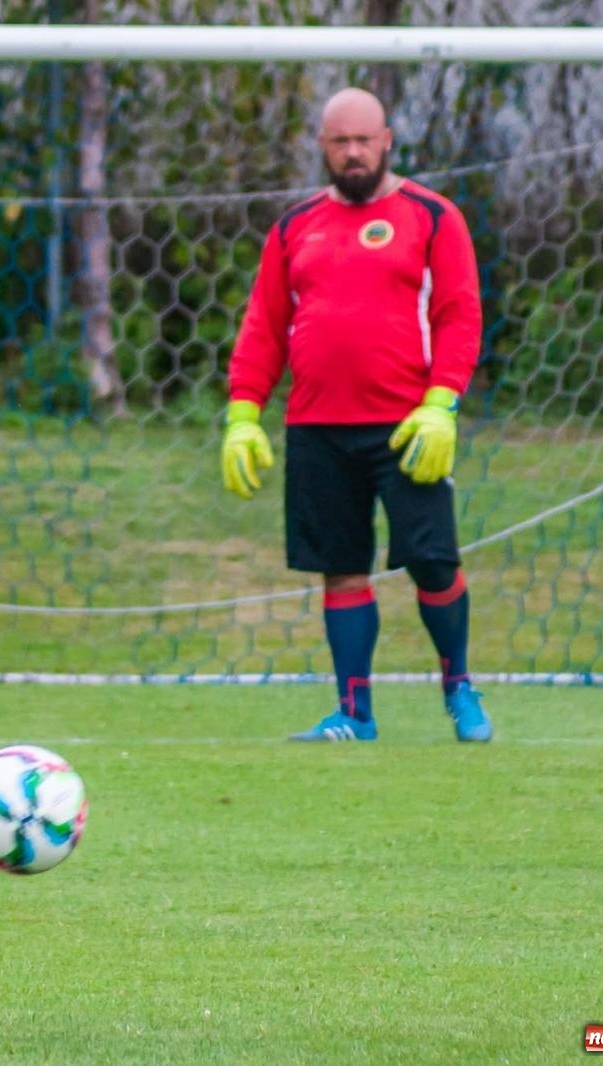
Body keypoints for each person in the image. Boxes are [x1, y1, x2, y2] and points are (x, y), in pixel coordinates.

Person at [220, 87, 493, 744]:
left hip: (408, 426)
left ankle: (459, 686)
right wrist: (243, 413)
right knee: (340, 567)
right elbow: (264, 327)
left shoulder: (432, 216)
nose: (353, 153)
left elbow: (459, 315)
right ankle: (354, 712)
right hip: (316, 427)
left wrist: (442, 403)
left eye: (363, 140)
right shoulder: (294, 227)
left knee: (432, 560)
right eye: (340, 142)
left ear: (387, 140)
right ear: (323, 145)